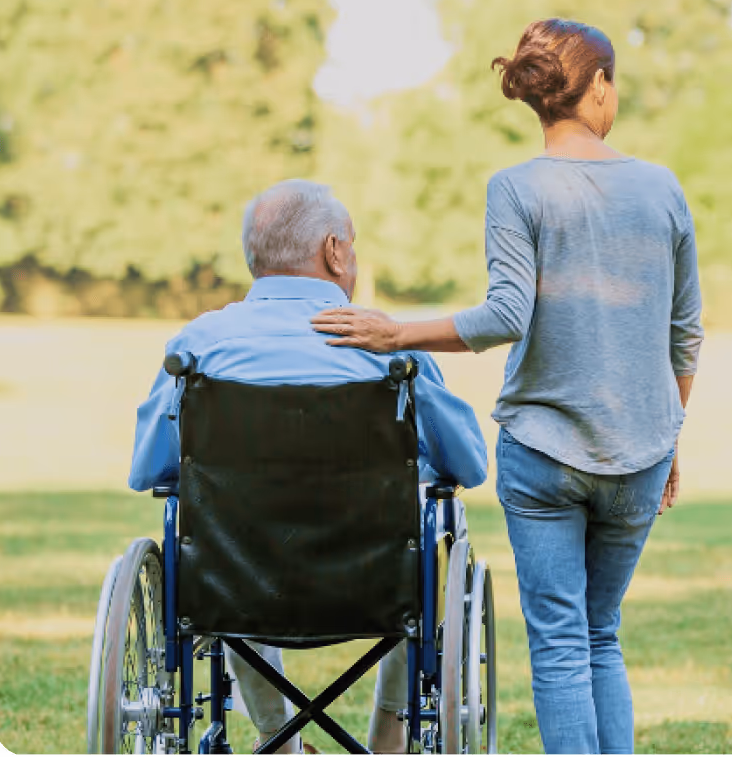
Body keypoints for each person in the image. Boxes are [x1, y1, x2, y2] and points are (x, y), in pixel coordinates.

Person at [311, 19, 704, 755]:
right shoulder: (662, 188)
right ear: (596, 89)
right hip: (642, 448)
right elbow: (685, 332)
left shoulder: (514, 189)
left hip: (544, 451)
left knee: (559, 642)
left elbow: (504, 316)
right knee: (600, 633)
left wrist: (397, 331)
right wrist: (669, 430)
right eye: (610, 82)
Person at [128, 179, 487, 755]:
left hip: (236, 581)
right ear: (334, 251)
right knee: (419, 537)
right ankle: (390, 737)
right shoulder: (387, 347)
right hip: (374, 582)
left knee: (227, 530)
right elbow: (466, 465)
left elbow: (149, 473)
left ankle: (279, 739)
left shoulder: (198, 345)